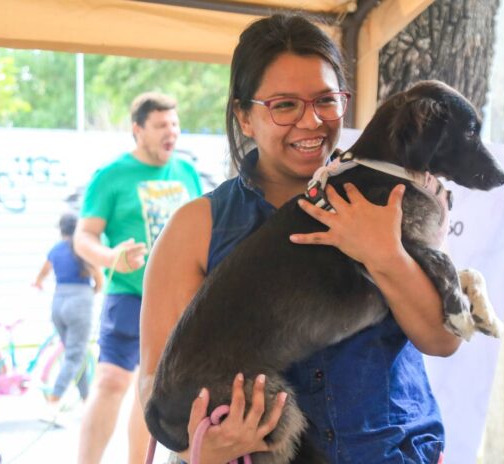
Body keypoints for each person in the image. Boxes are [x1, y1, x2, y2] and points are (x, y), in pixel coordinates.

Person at [139, 13, 459, 464]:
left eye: (326, 101)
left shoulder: (397, 200)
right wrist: (205, 447)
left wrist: (385, 254)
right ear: (244, 117)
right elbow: (157, 378)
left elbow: (443, 339)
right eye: (284, 105)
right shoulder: (199, 225)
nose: (312, 122)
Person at [74, 92, 203, 464]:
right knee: (112, 381)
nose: (172, 132)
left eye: (175, 124)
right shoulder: (111, 176)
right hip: (128, 296)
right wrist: (110, 257)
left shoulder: (187, 172)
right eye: (161, 125)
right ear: (138, 130)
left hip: (181, 300)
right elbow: (83, 237)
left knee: (152, 391)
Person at [33, 213, 103, 408]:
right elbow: (99, 279)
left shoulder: (55, 250)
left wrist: (38, 284)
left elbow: (41, 275)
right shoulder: (82, 250)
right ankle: (53, 400)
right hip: (80, 302)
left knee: (75, 353)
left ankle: (85, 399)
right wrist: (92, 292)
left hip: (58, 302)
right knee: (75, 354)